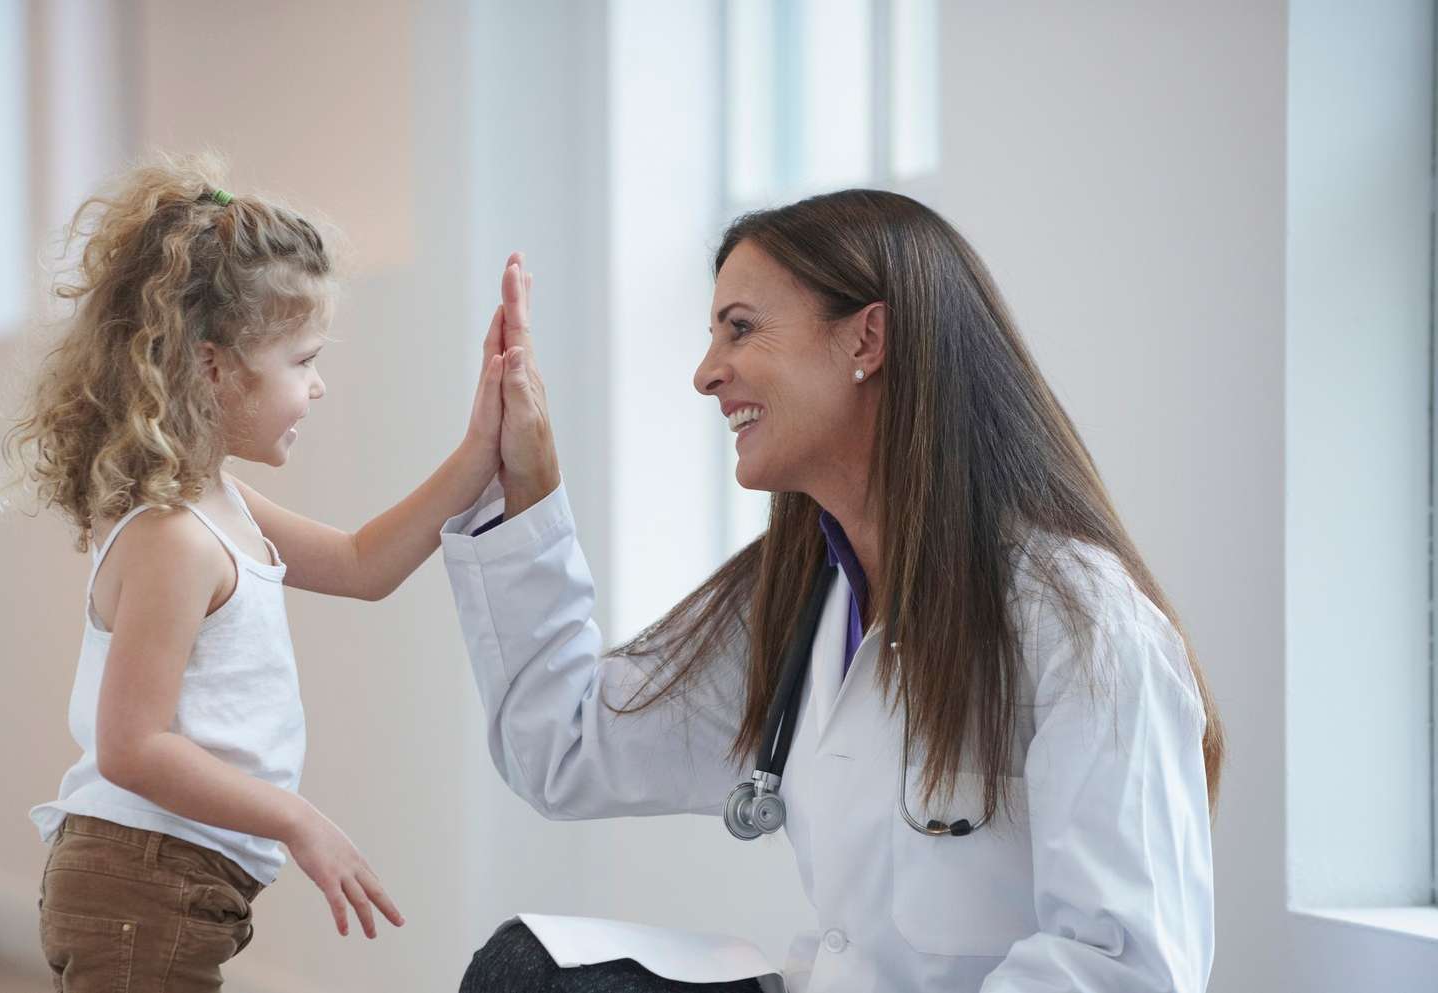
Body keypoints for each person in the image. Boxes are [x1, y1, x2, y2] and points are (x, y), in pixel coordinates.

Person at [443, 189, 1222, 993]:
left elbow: (1124, 969)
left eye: (739, 328)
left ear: (867, 337)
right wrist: (527, 485)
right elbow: (564, 748)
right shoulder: (796, 599)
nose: (706, 373)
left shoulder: (1080, 622)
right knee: (529, 974)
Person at [8, 153, 517, 992]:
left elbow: (362, 564)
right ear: (212, 366)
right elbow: (131, 746)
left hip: (169, 878)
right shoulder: (174, 536)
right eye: (302, 360)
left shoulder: (217, 504)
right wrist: (296, 819)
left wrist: (478, 451)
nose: (317, 388)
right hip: (141, 878)